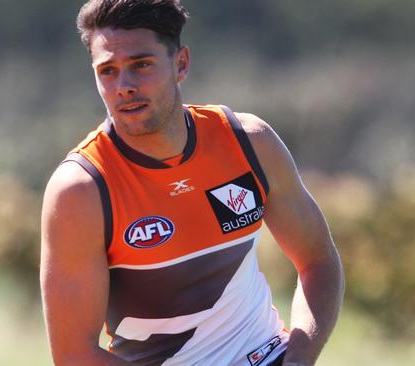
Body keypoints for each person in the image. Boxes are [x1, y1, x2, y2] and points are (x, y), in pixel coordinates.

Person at [40, 1, 344, 365]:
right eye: (107, 71)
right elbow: (74, 355)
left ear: (181, 63)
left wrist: (299, 356)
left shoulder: (248, 142)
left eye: (141, 65)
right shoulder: (81, 189)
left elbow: (319, 261)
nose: (124, 86)